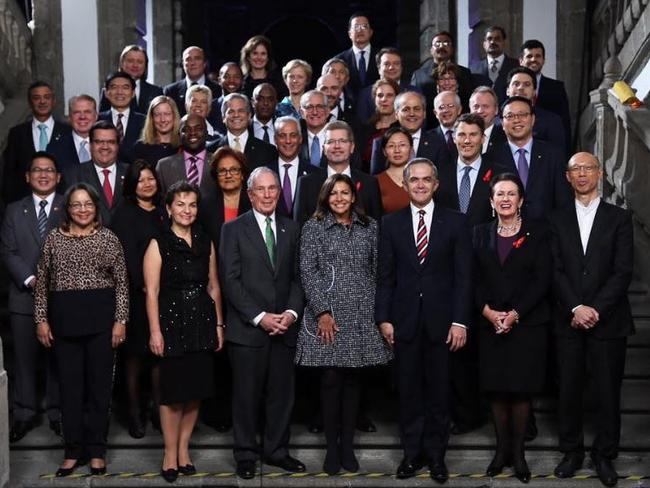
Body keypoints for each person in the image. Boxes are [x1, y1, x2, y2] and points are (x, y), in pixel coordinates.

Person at [375, 158, 472, 482]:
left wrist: (460, 321)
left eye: (425, 179)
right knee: (409, 392)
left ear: (436, 184)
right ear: (405, 184)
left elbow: (463, 279)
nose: (419, 185)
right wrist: (384, 318)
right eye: (413, 179)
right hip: (403, 323)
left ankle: (436, 457)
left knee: (439, 393)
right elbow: (385, 277)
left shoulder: (456, 223)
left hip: (443, 324)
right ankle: (411, 455)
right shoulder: (390, 224)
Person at [296, 173, 391, 475]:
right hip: (328, 316)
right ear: (326, 197)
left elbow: (379, 271)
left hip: (361, 314)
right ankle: (332, 449)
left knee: (353, 382)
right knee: (330, 380)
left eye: (344, 193)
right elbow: (307, 272)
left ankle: (348, 446)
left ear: (353, 197)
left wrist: (377, 313)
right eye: (333, 193)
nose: (339, 198)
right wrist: (322, 311)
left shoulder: (370, 227)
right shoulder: (313, 227)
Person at [550, 152, 634, 488]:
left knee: (607, 391)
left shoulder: (619, 218)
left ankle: (604, 455)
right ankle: (571, 451)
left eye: (588, 168)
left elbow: (623, 271)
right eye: (575, 169)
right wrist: (575, 307)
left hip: (609, 321)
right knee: (568, 388)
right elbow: (553, 270)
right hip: (567, 320)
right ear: (567, 177)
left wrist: (595, 308)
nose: (582, 174)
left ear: (599, 173)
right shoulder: (554, 219)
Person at [34, 182, 129, 477]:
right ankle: (73, 451)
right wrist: (41, 320)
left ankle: (97, 451)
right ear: (67, 209)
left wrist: (120, 320)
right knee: (70, 390)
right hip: (64, 324)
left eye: (88, 204)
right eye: (76, 204)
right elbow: (41, 284)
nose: (83, 209)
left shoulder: (109, 238)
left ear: (96, 206)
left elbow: (122, 284)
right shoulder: (53, 239)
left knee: (99, 391)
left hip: (102, 324)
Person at [219, 167, 305, 480]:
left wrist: (291, 315)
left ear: (278, 193)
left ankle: (276, 451)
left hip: (285, 329)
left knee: (282, 395)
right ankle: (245, 454)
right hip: (248, 331)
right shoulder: (233, 229)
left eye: (272, 189)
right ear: (250, 194)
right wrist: (260, 317)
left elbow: (299, 278)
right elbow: (230, 280)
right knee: (245, 396)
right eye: (261, 190)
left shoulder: (291, 228)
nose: (267, 195)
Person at [472, 173, 552, 483]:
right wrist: (488, 312)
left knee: (520, 391)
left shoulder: (539, 233)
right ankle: (501, 451)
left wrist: (515, 314)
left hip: (527, 323)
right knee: (496, 390)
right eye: (500, 194)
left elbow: (542, 278)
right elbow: (472, 278)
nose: (505, 198)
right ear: (491, 202)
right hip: (489, 322)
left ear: (520, 201)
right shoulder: (479, 233)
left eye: (511, 194)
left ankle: (518, 454)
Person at [144, 181, 224, 482]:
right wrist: (155, 331)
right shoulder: (158, 243)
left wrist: (218, 324)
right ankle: (169, 452)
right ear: (168, 208)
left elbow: (213, 286)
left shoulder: (206, 241)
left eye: (192, 204)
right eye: (181, 204)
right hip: (171, 324)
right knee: (173, 394)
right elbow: (151, 292)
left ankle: (184, 449)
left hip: (202, 322)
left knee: (195, 392)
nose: (187, 210)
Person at [1, 152, 64, 442]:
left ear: (58, 177)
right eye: (37, 170)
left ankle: (58, 413)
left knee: (59, 360)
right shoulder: (14, 210)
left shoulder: (69, 206)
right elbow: (8, 251)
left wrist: (53, 282)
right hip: (24, 299)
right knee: (23, 360)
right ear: (27, 176)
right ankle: (24, 413)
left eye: (49, 170)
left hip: (62, 299)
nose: (43, 175)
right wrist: (31, 279)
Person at [111, 160, 167, 439]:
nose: (147, 184)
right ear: (132, 185)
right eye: (141, 179)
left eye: (151, 179)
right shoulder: (124, 213)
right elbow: (124, 257)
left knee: (159, 357)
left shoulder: (162, 212)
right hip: (136, 295)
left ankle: (158, 410)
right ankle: (134, 414)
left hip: (162, 295)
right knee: (134, 358)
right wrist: (145, 284)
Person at [489, 96, 572, 220]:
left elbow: (563, 200)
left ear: (532, 119)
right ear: (502, 123)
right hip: (505, 232)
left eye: (522, 115)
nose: (517, 120)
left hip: (546, 232)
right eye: (510, 116)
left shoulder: (553, 154)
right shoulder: (491, 157)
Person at [294, 120, 383, 225]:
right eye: (331, 141)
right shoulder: (306, 183)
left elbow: (377, 227)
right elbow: (299, 227)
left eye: (342, 141)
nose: (337, 146)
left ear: (352, 147)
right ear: (324, 149)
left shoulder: (370, 183)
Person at [3, 80, 71, 203]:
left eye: (47, 97)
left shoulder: (68, 131)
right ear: (30, 102)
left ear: (53, 101)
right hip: (24, 203)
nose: (42, 101)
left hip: (62, 202)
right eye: (36, 98)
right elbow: (9, 173)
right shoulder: (17, 133)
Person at [62, 120, 129, 226]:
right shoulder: (72, 175)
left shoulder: (130, 172)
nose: (105, 147)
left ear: (118, 145)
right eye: (99, 142)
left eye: (111, 142)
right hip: (87, 240)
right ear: (90, 145)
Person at [199, 146, 251, 251]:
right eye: (222, 171)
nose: (228, 175)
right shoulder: (205, 206)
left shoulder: (254, 202)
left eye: (234, 170)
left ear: (242, 174)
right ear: (216, 176)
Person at [519, 39, 571, 145]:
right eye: (529, 56)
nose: (534, 59)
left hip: (549, 147)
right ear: (521, 61)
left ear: (543, 60)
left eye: (538, 56)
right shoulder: (511, 87)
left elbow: (565, 123)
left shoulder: (557, 88)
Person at [207, 93, 278, 170]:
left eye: (241, 111)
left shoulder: (268, 151)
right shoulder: (211, 150)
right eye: (231, 111)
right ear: (223, 117)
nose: (236, 115)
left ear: (249, 115)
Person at [156, 113, 218, 199]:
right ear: (179, 135)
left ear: (207, 133)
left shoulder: (219, 162)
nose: (192, 133)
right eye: (186, 129)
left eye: (198, 128)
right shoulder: (163, 166)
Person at [266, 116, 317, 218]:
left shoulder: (315, 174)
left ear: (300, 138)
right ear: (275, 139)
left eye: (293, 135)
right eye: (282, 136)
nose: (288, 141)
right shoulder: (265, 173)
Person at [98, 45, 163, 114]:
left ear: (145, 66)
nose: (135, 65)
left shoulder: (156, 92)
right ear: (122, 63)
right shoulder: (109, 90)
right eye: (130, 61)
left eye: (140, 62)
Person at [98, 71, 146, 164]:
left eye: (125, 87)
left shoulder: (145, 121)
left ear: (133, 93)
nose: (119, 92)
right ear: (107, 93)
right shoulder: (97, 120)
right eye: (114, 87)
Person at [163, 46, 222, 117]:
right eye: (188, 59)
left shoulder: (218, 90)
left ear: (204, 63)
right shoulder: (170, 91)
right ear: (183, 64)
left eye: (197, 58)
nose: (193, 63)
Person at [47, 94, 98, 171]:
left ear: (96, 116)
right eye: (77, 112)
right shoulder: (55, 148)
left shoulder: (107, 145)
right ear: (69, 117)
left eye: (87, 112)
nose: (82, 117)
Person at [470, 26, 520, 104]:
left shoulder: (517, 66)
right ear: (484, 44)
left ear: (504, 43)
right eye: (489, 39)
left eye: (497, 39)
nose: (493, 42)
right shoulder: (474, 69)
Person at [335, 13, 379, 96]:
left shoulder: (381, 57)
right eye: (356, 27)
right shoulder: (339, 60)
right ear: (349, 34)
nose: (360, 30)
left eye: (364, 26)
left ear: (370, 32)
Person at [361, 79, 399, 172]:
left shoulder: (402, 129)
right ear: (374, 99)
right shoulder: (364, 128)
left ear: (397, 98)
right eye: (380, 95)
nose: (384, 99)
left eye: (389, 95)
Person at [132, 95, 180, 166]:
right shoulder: (140, 148)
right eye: (157, 115)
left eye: (167, 114)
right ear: (151, 118)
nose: (162, 119)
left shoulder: (183, 146)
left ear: (174, 116)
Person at [375, 126, 412, 213]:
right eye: (391, 146)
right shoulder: (375, 182)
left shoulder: (421, 178)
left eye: (402, 145)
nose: (397, 150)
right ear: (384, 151)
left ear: (411, 149)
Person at [469, 86, 506, 155]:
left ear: (496, 110)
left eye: (485, 106)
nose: (480, 111)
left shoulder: (505, 137)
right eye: (476, 106)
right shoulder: (462, 136)